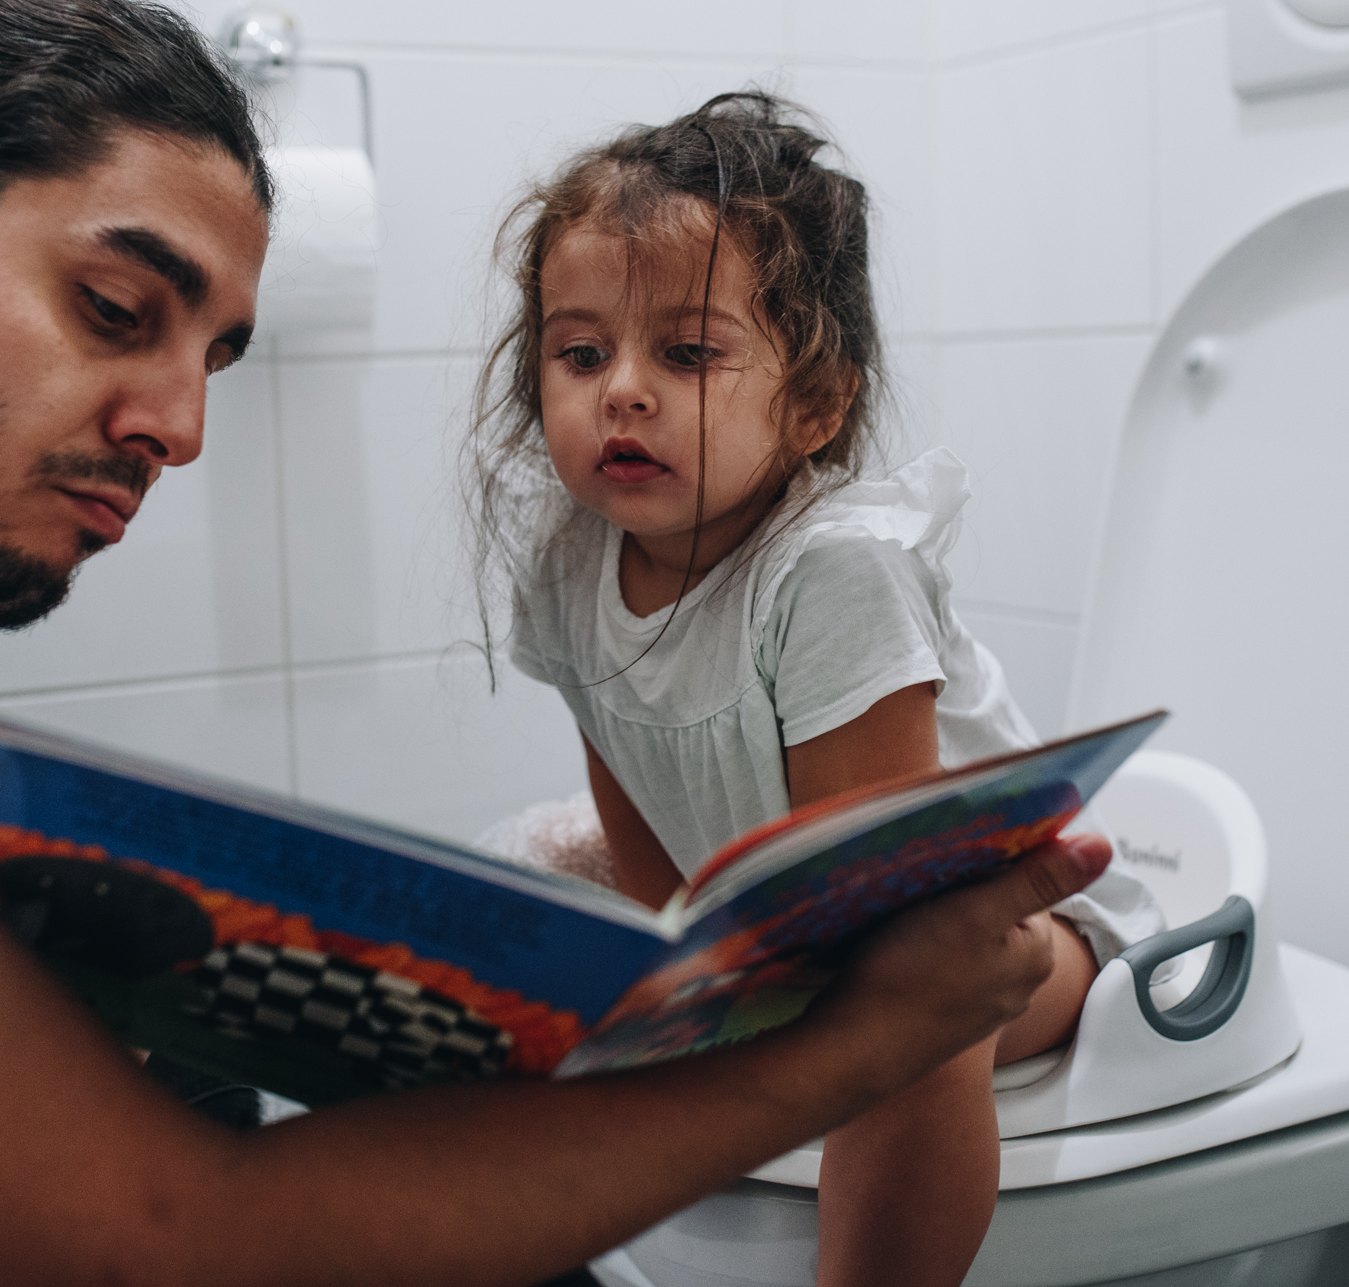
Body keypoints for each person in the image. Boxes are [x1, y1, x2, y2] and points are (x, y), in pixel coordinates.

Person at [0, 0, 1111, 1287]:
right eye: (118, 312)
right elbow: (157, 1243)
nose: (178, 428)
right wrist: (859, 1038)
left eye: (214, 356)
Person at [473, 92, 1163, 1287]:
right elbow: (629, 794)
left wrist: (770, 1023)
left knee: (908, 1006)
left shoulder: (835, 570)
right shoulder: (570, 561)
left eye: (686, 353)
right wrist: (695, 975)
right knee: (528, 917)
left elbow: (886, 888)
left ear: (812, 405)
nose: (620, 389)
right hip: (783, 927)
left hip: (995, 938)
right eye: (580, 353)